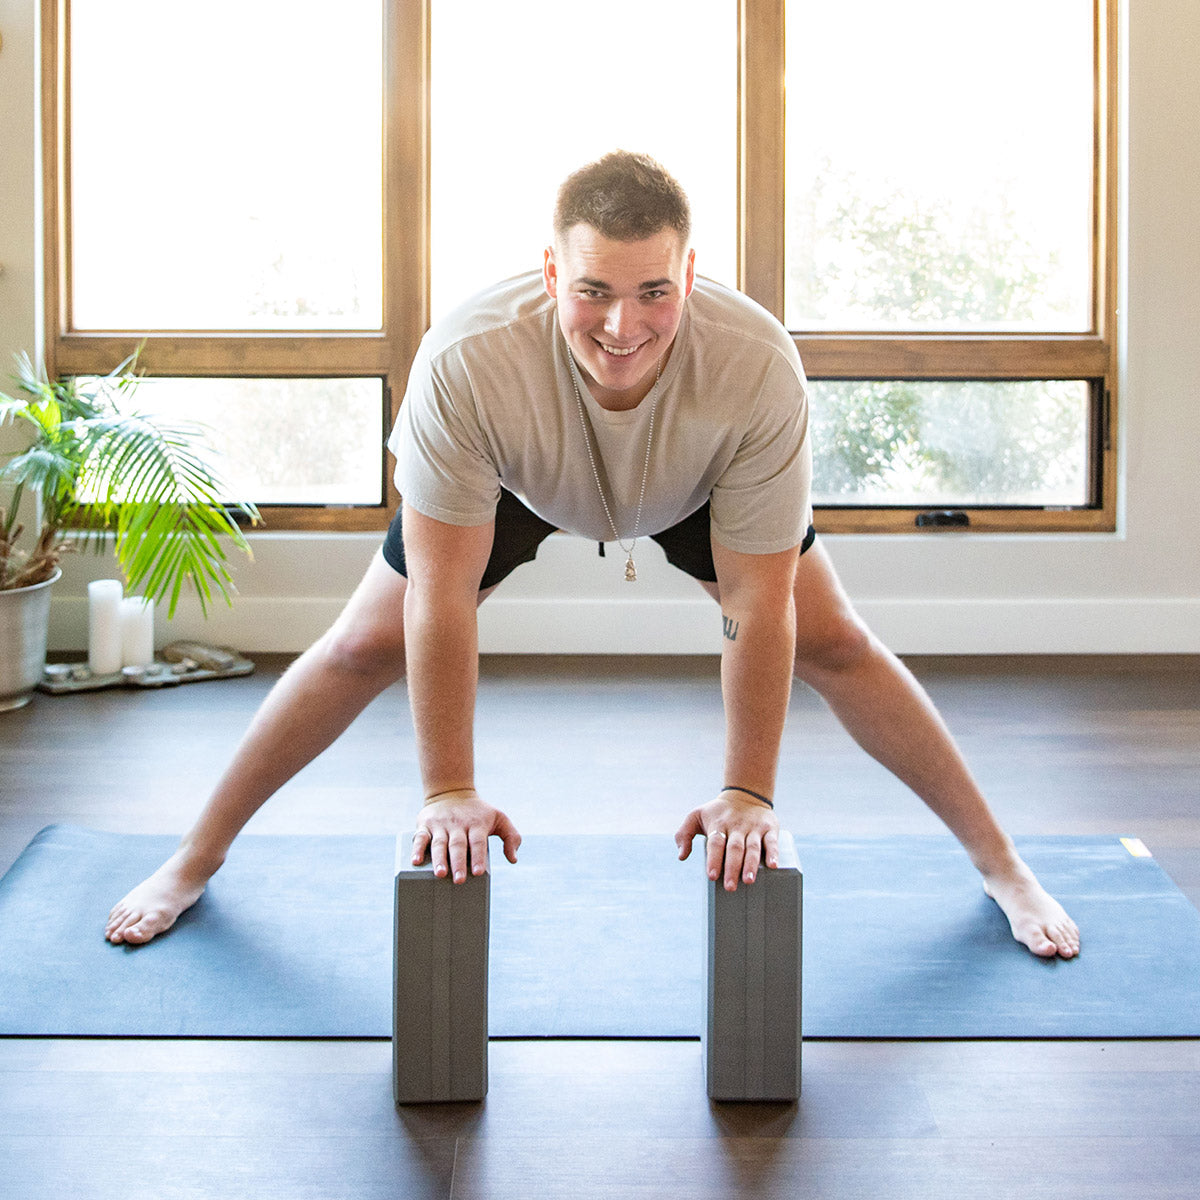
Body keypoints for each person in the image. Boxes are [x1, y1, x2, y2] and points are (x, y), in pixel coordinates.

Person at [106, 151, 1079, 959]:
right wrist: (448, 790)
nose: (623, 327)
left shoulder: (754, 366)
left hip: (696, 484)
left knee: (835, 641)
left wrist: (748, 791)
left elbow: (755, 602)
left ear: (688, 277)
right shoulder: (468, 361)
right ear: (550, 276)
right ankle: (196, 855)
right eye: (594, 293)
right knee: (362, 645)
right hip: (517, 484)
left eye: (654, 291)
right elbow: (439, 599)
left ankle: (1003, 863)